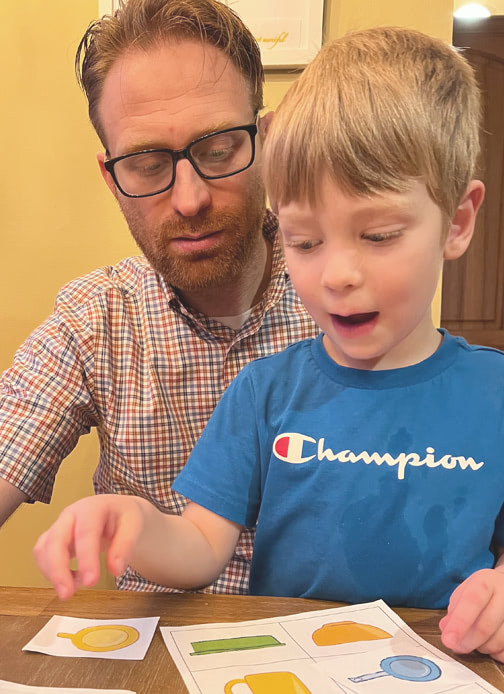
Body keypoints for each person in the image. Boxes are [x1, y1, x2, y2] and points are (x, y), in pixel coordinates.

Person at [34, 26, 504, 662]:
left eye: (380, 235)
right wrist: (136, 525)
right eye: (305, 242)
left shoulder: (493, 394)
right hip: (291, 668)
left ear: (457, 222)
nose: (337, 274)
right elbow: (201, 547)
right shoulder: (263, 391)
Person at [0, 0, 318, 594]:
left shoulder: (350, 304)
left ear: (266, 141)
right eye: (147, 163)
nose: (191, 198)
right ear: (110, 176)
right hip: (154, 667)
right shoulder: (95, 319)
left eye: (220, 149)